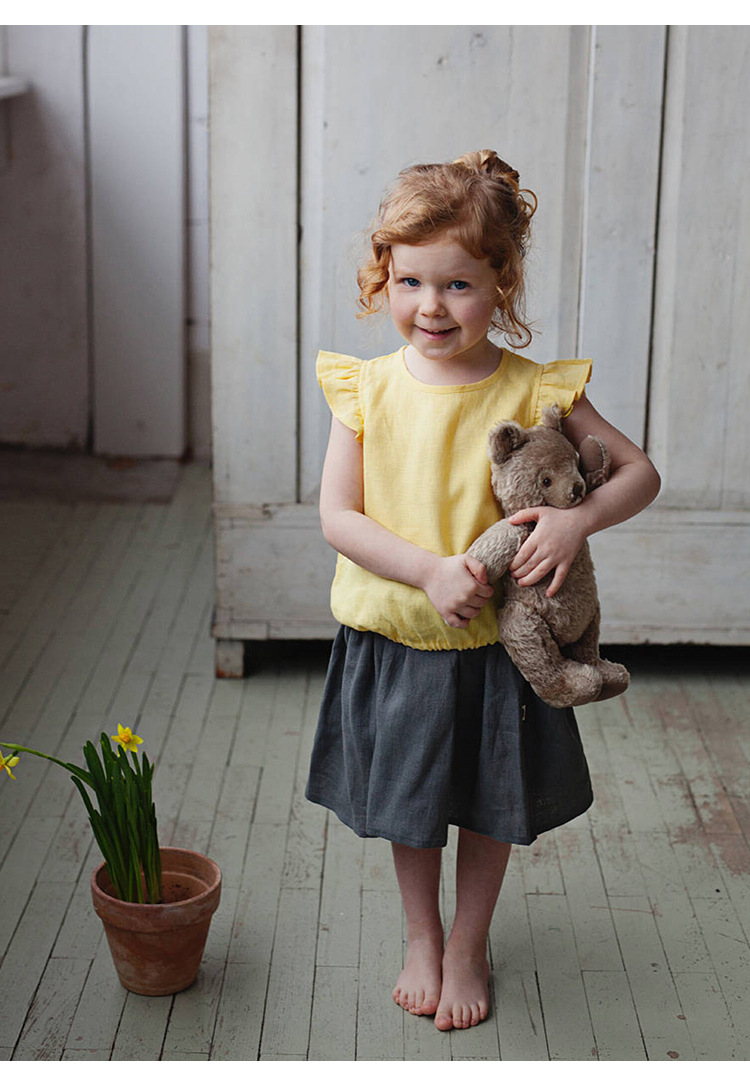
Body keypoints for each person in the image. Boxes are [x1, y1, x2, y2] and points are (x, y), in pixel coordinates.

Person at [305, 150, 660, 1032]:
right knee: (414, 806)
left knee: (492, 801)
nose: (431, 306)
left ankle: (468, 942)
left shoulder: (535, 391)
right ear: (384, 276)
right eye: (411, 281)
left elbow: (641, 474)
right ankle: (422, 936)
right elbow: (338, 517)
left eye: (458, 285)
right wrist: (428, 570)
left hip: (502, 650)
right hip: (402, 637)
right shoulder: (367, 390)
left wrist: (576, 522)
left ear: (501, 283)